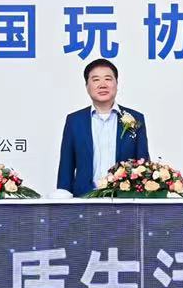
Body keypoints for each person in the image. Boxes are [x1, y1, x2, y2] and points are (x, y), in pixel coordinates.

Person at [56, 59, 149, 195]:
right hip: (84, 198)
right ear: (87, 86)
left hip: (124, 198)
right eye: (96, 80)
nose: (102, 85)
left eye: (108, 79)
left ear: (117, 84)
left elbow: (143, 165)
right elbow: (66, 167)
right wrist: (62, 199)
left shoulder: (135, 119)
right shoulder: (74, 121)